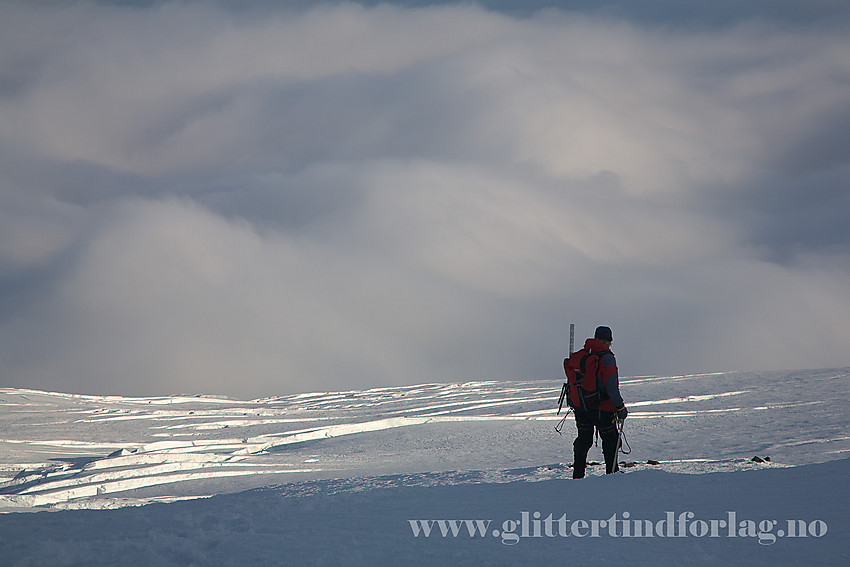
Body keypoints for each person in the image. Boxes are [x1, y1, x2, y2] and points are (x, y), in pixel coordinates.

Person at [572, 325, 628, 478]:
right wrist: (620, 406)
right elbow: (611, 385)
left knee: (583, 440)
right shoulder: (607, 357)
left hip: (582, 407)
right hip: (602, 408)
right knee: (611, 440)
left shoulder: (582, 355)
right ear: (609, 340)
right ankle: (612, 474)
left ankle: (578, 475)